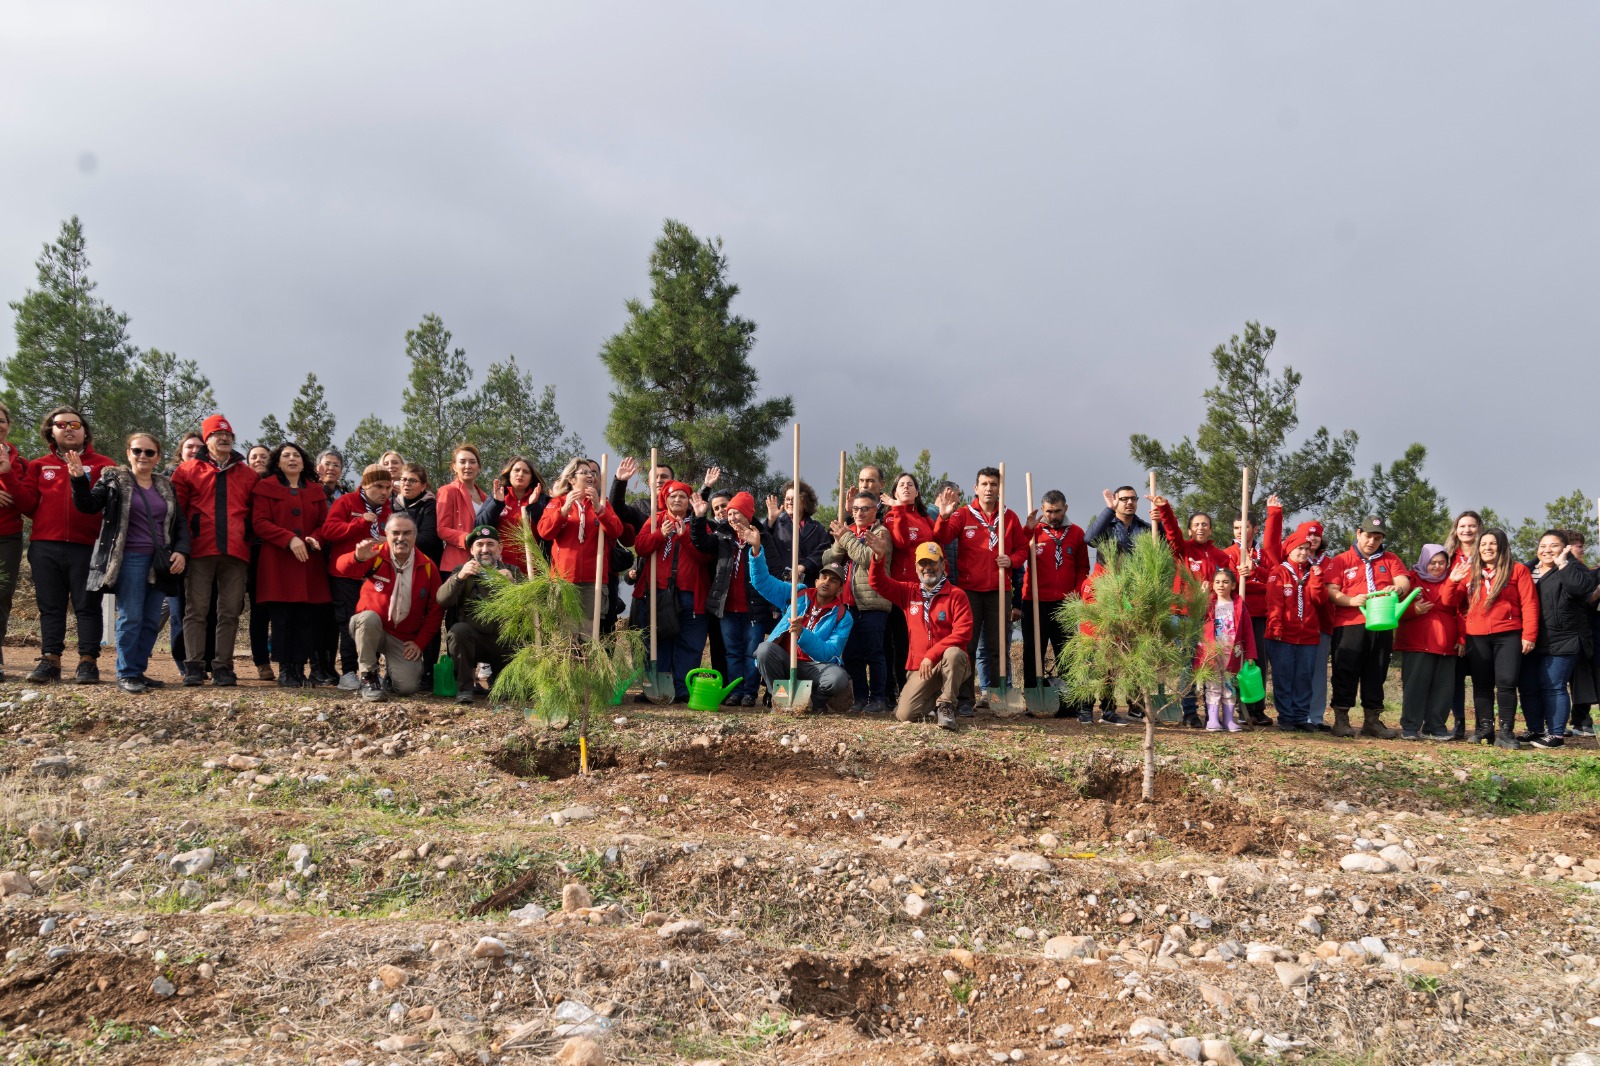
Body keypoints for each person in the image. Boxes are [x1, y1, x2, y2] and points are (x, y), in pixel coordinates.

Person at [3, 409, 117, 682]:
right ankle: (50, 660)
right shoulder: (39, 465)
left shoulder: (104, 464)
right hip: (45, 546)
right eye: (61, 425)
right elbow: (28, 504)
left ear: (85, 431)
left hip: (87, 546)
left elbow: (110, 507)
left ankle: (88, 662)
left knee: (87, 606)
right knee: (50, 606)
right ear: (51, 432)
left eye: (75, 424)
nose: (68, 429)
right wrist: (6, 475)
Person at [70, 432, 190, 693]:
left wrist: (181, 551)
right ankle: (126, 673)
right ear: (128, 454)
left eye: (149, 452)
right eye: (137, 451)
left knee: (149, 620)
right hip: (130, 559)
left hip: (161, 561)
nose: (143, 456)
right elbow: (88, 505)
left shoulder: (165, 486)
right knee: (131, 616)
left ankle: (137, 671)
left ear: (158, 456)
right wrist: (79, 479)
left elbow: (179, 523)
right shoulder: (114, 480)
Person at [171, 415, 258, 687]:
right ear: (205, 440)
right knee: (195, 610)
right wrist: (180, 548)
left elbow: (256, 515)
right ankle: (194, 665)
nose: (223, 439)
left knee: (230, 611)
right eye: (217, 435)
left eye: (228, 435)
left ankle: (223, 666)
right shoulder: (187, 471)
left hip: (236, 552)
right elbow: (178, 514)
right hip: (199, 550)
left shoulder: (248, 474)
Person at [931, 468, 1026, 717]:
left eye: (994, 484)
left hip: (999, 591)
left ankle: (997, 697)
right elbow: (940, 537)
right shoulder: (963, 514)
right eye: (984, 483)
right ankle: (964, 699)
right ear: (976, 488)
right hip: (969, 592)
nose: (989, 488)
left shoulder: (1010, 517)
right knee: (967, 646)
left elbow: (1022, 551)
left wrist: (1012, 560)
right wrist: (943, 516)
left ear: (999, 488)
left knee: (998, 647)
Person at [740, 523, 855, 713]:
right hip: (785, 661)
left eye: (833, 580)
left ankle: (815, 702)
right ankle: (781, 699)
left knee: (837, 679)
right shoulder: (797, 594)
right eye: (824, 577)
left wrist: (803, 633)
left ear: (841, 589)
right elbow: (762, 583)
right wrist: (756, 549)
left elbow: (829, 653)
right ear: (816, 581)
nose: (827, 582)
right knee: (764, 650)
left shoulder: (843, 616)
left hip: (815, 667)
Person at [865, 533, 973, 730]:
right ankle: (932, 696)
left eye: (932, 562)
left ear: (943, 564)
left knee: (954, 652)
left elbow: (963, 633)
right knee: (905, 714)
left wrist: (932, 655)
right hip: (920, 667)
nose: (927, 568)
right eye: (922, 563)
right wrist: (879, 558)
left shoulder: (957, 595)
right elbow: (878, 583)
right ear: (916, 567)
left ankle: (946, 705)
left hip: (948, 662)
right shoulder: (908, 592)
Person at [332, 512, 443, 702]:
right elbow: (342, 568)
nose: (401, 538)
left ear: (415, 536)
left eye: (407, 533)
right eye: (395, 533)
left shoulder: (427, 566)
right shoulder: (375, 554)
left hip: (402, 637)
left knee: (407, 688)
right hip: (369, 627)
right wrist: (357, 557)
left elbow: (436, 609)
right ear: (387, 534)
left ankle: (391, 677)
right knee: (368, 618)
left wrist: (420, 642)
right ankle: (369, 677)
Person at [1322, 515, 1413, 739]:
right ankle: (1341, 719)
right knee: (1345, 670)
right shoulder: (1341, 560)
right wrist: (1350, 600)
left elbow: (1404, 581)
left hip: (1381, 623)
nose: (1372, 541)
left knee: (1377, 671)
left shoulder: (1390, 559)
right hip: (1350, 624)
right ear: (1358, 533)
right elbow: (1331, 591)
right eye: (1368, 536)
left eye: (1377, 537)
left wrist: (1398, 589)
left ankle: (1372, 720)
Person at [251, 442, 332, 687]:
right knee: (282, 619)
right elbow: (260, 522)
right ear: (277, 462)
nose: (292, 458)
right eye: (286, 455)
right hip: (278, 562)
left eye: (296, 454)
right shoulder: (265, 487)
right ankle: (286, 670)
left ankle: (300, 668)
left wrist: (315, 538)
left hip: (308, 561)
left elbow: (324, 524)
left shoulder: (316, 490)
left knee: (305, 619)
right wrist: (289, 539)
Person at [1151, 494, 1234, 727]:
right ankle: (1189, 713)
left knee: (1211, 663)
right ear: (1189, 530)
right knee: (1188, 664)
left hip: (1210, 618)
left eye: (1205, 524)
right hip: (1183, 615)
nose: (1200, 528)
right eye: (1196, 525)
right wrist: (1164, 508)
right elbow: (1172, 533)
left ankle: (1213, 712)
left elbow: (1227, 587)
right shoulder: (1181, 550)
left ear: (1211, 530)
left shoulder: (1221, 557)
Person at [1453, 527, 1537, 748]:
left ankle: (1506, 732)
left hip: (1508, 634)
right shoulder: (1469, 573)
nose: (1487, 548)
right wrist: (1452, 581)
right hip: (1476, 636)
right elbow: (1450, 602)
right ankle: (1484, 729)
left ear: (1502, 546)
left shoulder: (1518, 571)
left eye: (1492, 543)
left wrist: (1529, 634)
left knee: (1507, 683)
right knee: (1481, 685)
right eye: (1483, 544)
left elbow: (1529, 604)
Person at [1518, 530, 1597, 748]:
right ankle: (1535, 729)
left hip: (1564, 638)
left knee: (1553, 685)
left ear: (1564, 548)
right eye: (1543, 546)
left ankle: (1556, 734)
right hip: (1532, 637)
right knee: (1528, 685)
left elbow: (1580, 589)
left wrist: (1563, 564)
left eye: (1554, 546)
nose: (1547, 550)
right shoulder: (1527, 570)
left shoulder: (1576, 569)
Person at [633, 481, 711, 701]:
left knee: (689, 642)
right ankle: (657, 689)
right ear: (665, 499)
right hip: (659, 592)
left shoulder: (697, 523)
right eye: (673, 496)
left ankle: (682, 689)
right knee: (659, 641)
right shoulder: (655, 519)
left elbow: (706, 556)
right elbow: (640, 547)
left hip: (691, 594)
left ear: (688, 502)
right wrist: (660, 535)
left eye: (682, 497)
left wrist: (685, 535)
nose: (677, 500)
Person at [691, 489, 766, 707]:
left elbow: (773, 569)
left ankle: (751, 693)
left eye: (737, 513)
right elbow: (700, 542)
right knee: (731, 652)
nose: (732, 517)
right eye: (730, 513)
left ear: (748, 515)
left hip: (753, 608)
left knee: (752, 653)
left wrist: (756, 545)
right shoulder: (723, 537)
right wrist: (698, 517)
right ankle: (735, 691)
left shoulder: (762, 538)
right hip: (727, 607)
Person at [320, 465, 394, 686]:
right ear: (365, 485)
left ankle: (371, 671)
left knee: (375, 623)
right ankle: (349, 672)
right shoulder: (346, 502)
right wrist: (360, 522)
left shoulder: (389, 510)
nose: (384, 492)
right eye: (379, 486)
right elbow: (329, 531)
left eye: (388, 487)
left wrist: (386, 541)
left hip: (376, 576)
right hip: (346, 575)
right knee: (349, 623)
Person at [1017, 490, 1088, 719]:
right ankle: (1033, 700)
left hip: (1064, 604)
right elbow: (1015, 552)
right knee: (1032, 652)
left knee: (1066, 654)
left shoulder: (1076, 533)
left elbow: (1082, 568)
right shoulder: (1034, 532)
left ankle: (1067, 703)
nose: (1053, 515)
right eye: (1049, 511)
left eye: (1057, 511)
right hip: (1034, 601)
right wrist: (1027, 529)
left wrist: (1075, 595)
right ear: (1042, 509)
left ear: (1065, 508)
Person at [536, 458, 624, 637]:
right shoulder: (557, 502)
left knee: (588, 635)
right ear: (571, 479)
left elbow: (616, 531)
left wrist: (600, 509)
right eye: (584, 472)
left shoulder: (602, 503)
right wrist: (564, 510)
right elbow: (544, 532)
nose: (590, 476)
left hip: (593, 580)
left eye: (592, 473)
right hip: (564, 580)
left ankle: (587, 665)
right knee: (564, 636)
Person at [438, 525, 520, 704]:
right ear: (471, 549)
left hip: (504, 643)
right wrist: (459, 578)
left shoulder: (513, 572)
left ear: (499, 549)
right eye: (479, 544)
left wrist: (514, 585)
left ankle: (502, 683)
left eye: (490, 544)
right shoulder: (462, 571)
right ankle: (465, 688)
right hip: (473, 642)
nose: (485, 549)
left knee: (509, 692)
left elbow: (532, 608)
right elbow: (442, 599)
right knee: (458, 631)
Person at [826, 490, 892, 713]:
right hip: (849, 603)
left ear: (876, 510)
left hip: (873, 603)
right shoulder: (850, 531)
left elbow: (866, 558)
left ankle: (879, 699)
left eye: (865, 508)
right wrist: (839, 542)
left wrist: (846, 538)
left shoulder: (881, 532)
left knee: (874, 652)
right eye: (855, 509)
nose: (859, 513)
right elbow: (828, 559)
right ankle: (860, 698)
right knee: (852, 653)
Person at [1394, 545, 1466, 741]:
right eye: (1432, 562)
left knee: (1443, 688)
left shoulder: (1453, 580)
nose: (1437, 567)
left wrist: (1461, 638)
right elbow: (1394, 610)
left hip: (1446, 643)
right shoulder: (1410, 580)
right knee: (1415, 685)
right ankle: (1410, 726)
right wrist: (1412, 611)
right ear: (1424, 562)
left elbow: (1459, 610)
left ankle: (1435, 726)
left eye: (1441, 563)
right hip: (1416, 642)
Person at [1262, 518, 1328, 733]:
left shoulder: (1313, 572)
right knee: (1284, 677)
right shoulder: (1279, 572)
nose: (1303, 552)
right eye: (1300, 548)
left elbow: (1320, 601)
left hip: (1308, 635)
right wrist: (1275, 628)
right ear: (1290, 549)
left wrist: (1318, 580)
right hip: (1283, 636)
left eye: (1307, 549)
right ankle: (1286, 717)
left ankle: (1301, 716)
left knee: (1303, 678)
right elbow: (1274, 603)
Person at [1224, 507, 1282, 726]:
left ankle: (1258, 708)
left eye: (1245, 527)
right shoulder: (1229, 553)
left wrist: (1256, 572)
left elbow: (1276, 580)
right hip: (1238, 614)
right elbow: (1226, 583)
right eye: (1236, 528)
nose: (1240, 532)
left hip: (1261, 615)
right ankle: (1240, 707)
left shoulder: (1265, 554)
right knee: (1237, 659)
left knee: (1258, 661)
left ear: (1255, 529)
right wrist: (1245, 580)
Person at [882, 472, 937, 696]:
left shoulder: (925, 519)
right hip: (900, 589)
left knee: (924, 640)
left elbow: (936, 546)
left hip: (925, 588)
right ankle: (903, 690)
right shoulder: (891, 516)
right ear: (895, 492)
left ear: (917, 492)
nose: (906, 487)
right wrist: (898, 508)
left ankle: (925, 689)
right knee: (902, 642)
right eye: (901, 485)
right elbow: (902, 541)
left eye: (910, 485)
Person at [1195, 568, 1254, 732]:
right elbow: (1197, 615)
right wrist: (1201, 597)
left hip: (1232, 654)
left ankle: (1228, 719)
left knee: (1229, 686)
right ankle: (1213, 719)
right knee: (1213, 686)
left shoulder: (1239, 606)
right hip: (1211, 653)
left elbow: (1248, 631)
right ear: (1213, 585)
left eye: (1226, 582)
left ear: (1233, 585)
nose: (1221, 585)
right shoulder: (1209, 604)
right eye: (1218, 582)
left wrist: (1250, 654)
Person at [1442, 511, 1483, 740]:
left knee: (1481, 679)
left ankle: (1482, 725)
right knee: (1455, 679)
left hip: (1480, 626)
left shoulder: (1487, 554)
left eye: (1472, 526)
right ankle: (1458, 723)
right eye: (1462, 526)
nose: (1467, 530)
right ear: (1455, 530)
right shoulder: (1448, 557)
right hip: (1455, 624)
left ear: (1480, 528)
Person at [475, 456, 548, 573]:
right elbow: (480, 527)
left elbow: (547, 532)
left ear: (531, 478)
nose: (520, 474)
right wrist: (496, 503)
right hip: (500, 569)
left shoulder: (542, 500)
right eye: (516, 470)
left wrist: (533, 507)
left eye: (526, 472)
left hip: (533, 571)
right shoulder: (498, 495)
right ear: (509, 474)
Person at [0, 403, 28, 681]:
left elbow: (26, 502)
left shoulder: (20, 461)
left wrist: (7, 472)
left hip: (7, 537)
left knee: (1, 596)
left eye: (1, 420)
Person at [243, 443, 274, 680]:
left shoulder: (278, 484)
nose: (259, 459)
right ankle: (261, 661)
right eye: (254, 456)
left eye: (264, 456)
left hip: (275, 551)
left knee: (277, 609)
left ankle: (277, 659)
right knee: (257, 610)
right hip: (248, 551)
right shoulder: (242, 483)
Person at [436, 444, 488, 571]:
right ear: (454, 467)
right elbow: (442, 529)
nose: (467, 466)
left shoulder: (485, 498)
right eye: (462, 462)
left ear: (479, 468)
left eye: (472, 462)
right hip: (456, 564)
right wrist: (467, 538)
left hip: (483, 563)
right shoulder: (447, 491)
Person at [765, 479, 828, 585]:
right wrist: (771, 520)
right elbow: (762, 542)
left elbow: (824, 551)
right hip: (779, 584)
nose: (789, 502)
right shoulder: (776, 524)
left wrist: (804, 565)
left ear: (804, 502)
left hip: (807, 585)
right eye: (787, 499)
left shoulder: (817, 528)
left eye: (793, 499)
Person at [1085, 486, 1151, 565]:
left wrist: (1160, 521)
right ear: (1115, 501)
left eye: (1133, 498)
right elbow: (1089, 540)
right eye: (1124, 499)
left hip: (1141, 576)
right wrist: (1110, 509)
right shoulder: (1105, 526)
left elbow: (1164, 545)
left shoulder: (1146, 528)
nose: (1130, 502)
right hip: (1112, 576)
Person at [393, 462, 443, 565]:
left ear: (423, 486)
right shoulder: (393, 505)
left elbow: (428, 538)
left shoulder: (430, 506)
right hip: (397, 563)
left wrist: (395, 541)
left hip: (424, 564)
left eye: (412, 480)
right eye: (404, 479)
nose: (407, 483)